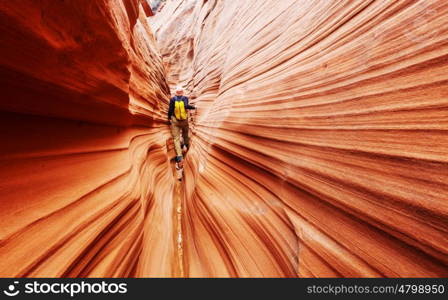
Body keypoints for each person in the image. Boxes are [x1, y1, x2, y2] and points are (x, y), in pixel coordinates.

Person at [168, 86, 195, 168]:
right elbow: (186, 106)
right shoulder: (185, 98)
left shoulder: (173, 99)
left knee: (176, 139)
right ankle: (186, 146)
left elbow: (170, 110)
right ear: (182, 92)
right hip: (184, 120)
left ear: (176, 92)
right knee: (185, 134)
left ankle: (179, 157)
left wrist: (169, 118)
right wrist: (194, 107)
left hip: (175, 120)